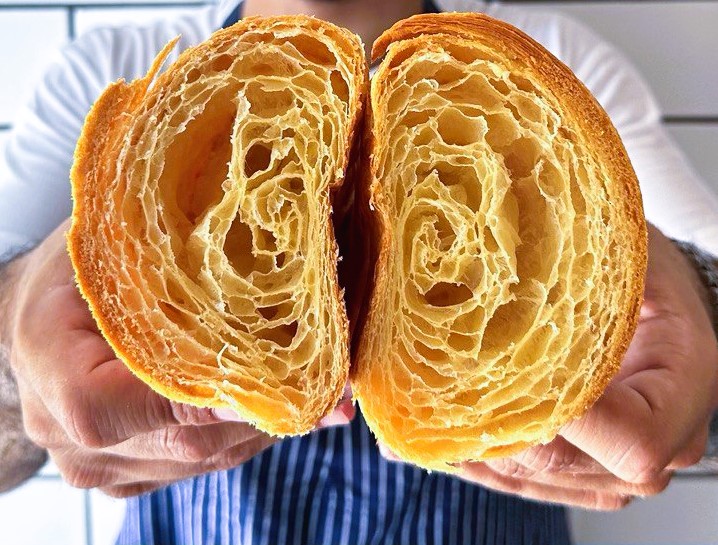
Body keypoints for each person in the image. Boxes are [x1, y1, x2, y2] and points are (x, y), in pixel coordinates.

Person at [1, 0, 717, 543]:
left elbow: (701, 323)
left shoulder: (555, 67)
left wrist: (700, 304)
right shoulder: (113, 73)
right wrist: (11, 345)